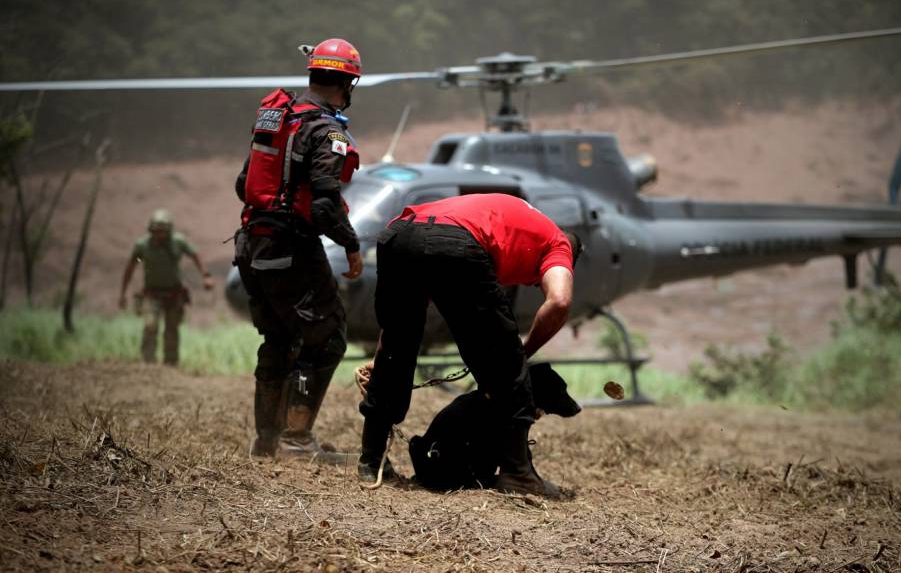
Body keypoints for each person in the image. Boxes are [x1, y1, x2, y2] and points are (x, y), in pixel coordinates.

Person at [357, 193, 582, 497]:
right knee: (507, 365)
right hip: (456, 241)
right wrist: (522, 355)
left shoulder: (512, 223)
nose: (531, 283)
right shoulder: (559, 243)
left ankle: (370, 462)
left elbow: (399, 330)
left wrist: (383, 356)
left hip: (400, 233)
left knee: (396, 353)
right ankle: (518, 474)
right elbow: (559, 301)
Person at [234, 37, 364, 464]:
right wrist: (351, 246)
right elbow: (326, 204)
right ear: (347, 84)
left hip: (252, 241)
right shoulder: (327, 130)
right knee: (327, 337)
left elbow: (243, 184)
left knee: (280, 336)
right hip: (292, 245)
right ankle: (296, 442)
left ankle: (266, 442)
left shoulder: (279, 116)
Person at [119, 208, 213, 366]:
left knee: (172, 329)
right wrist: (122, 294)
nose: (159, 234)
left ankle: (171, 365)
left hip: (174, 294)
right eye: (156, 231)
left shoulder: (178, 242)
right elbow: (130, 268)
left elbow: (195, 255)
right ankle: (148, 363)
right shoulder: (142, 245)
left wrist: (206, 275)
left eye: (162, 231)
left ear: (169, 231)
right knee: (150, 326)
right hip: (151, 294)